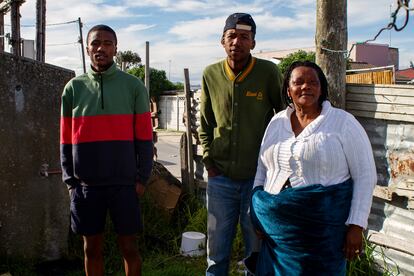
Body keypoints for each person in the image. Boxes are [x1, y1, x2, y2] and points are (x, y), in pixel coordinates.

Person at [248, 61, 377, 275]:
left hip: (321, 234)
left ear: (321, 88)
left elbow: (365, 175)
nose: (306, 86)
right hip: (276, 233)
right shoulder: (276, 122)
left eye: (313, 82)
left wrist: (356, 225)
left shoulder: (343, 123)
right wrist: (257, 212)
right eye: (298, 82)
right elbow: (262, 169)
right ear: (288, 91)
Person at [60, 25, 153, 276]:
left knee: (130, 248)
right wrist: (71, 182)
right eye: (95, 43)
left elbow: (145, 138)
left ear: (115, 48)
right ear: (87, 48)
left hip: (124, 184)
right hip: (86, 186)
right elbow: (66, 140)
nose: (101, 48)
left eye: (107, 43)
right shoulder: (73, 88)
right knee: (91, 250)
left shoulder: (133, 87)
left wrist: (142, 179)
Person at [199, 13, 284, 275]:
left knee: (256, 247)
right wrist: (208, 161)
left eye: (244, 37)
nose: (237, 41)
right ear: (222, 41)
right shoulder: (210, 74)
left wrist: (274, 168)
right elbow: (205, 122)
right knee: (217, 249)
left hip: (257, 179)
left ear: (253, 43)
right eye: (231, 36)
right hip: (220, 178)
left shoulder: (268, 72)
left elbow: (283, 118)